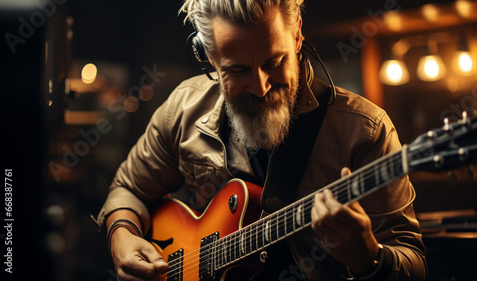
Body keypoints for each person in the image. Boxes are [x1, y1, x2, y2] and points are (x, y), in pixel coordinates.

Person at [95, 0, 427, 280]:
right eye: (237, 71)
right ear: (208, 56)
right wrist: (120, 234)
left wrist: (368, 257)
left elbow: (414, 262)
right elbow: (128, 188)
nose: (261, 86)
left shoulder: (366, 130)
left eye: (273, 62)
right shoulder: (184, 108)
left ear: (296, 35)